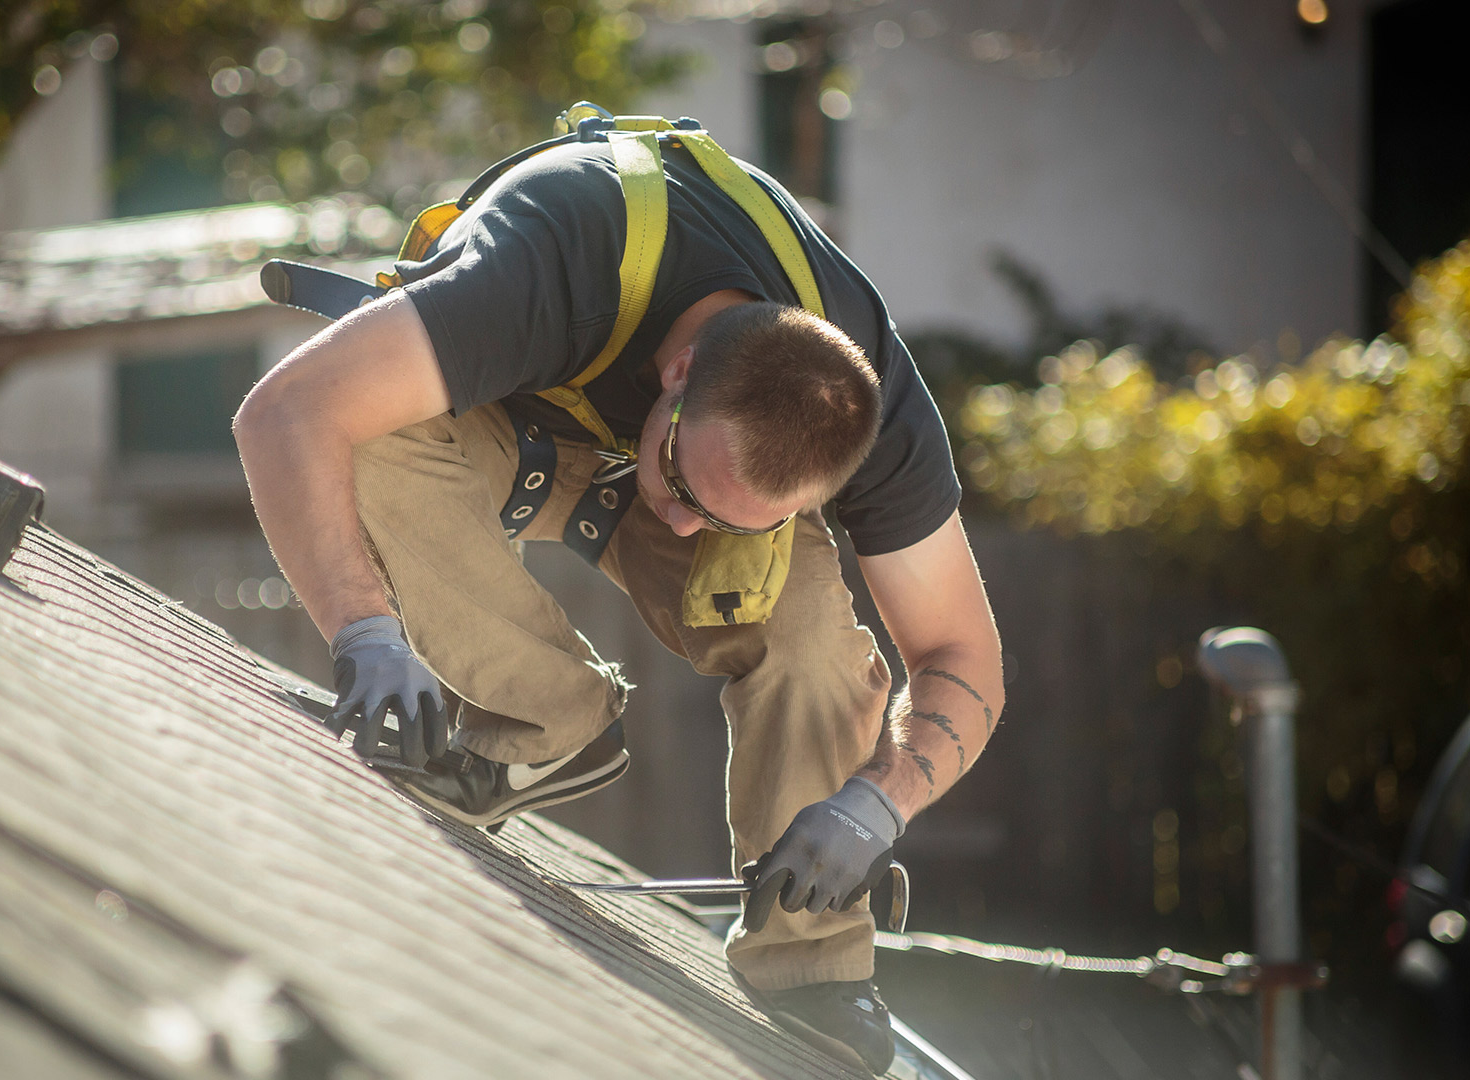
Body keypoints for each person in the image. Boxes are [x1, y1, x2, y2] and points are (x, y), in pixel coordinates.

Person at [234, 131, 1004, 1075]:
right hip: (505, 423)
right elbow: (285, 411)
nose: (681, 531)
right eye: (683, 483)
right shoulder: (553, 259)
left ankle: (810, 961)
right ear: (677, 375)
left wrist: (878, 806)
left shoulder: (872, 412)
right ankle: (548, 721)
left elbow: (963, 656)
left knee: (812, 633)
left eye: (725, 518)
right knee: (355, 442)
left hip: (656, 435)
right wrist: (365, 631)